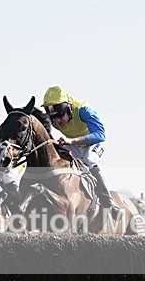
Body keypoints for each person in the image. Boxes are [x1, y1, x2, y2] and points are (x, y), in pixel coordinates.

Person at [42, 85, 120, 218]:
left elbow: (100, 135)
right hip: (72, 142)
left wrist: (72, 141)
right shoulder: (53, 117)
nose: (58, 121)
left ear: (69, 108)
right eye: (53, 117)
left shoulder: (83, 110)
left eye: (61, 115)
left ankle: (109, 203)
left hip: (93, 141)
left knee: (89, 160)